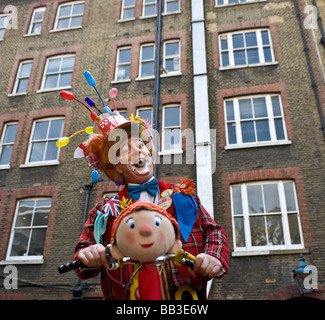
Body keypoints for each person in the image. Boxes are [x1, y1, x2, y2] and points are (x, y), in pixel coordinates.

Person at [71, 112, 229, 300]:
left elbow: (212, 230)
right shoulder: (104, 211)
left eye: (141, 145)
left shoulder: (182, 193)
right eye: (127, 150)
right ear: (118, 167)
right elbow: (83, 257)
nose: (139, 151)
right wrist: (89, 255)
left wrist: (214, 257)